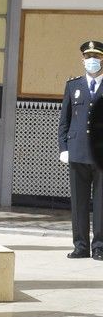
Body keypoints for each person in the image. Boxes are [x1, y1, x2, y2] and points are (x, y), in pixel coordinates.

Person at [58, 40, 103, 260]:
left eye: (96, 56)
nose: (92, 60)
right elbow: (64, 121)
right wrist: (63, 147)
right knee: (79, 202)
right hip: (77, 151)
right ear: (82, 60)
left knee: (101, 202)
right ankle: (81, 245)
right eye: (88, 57)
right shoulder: (73, 85)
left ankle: (99, 246)